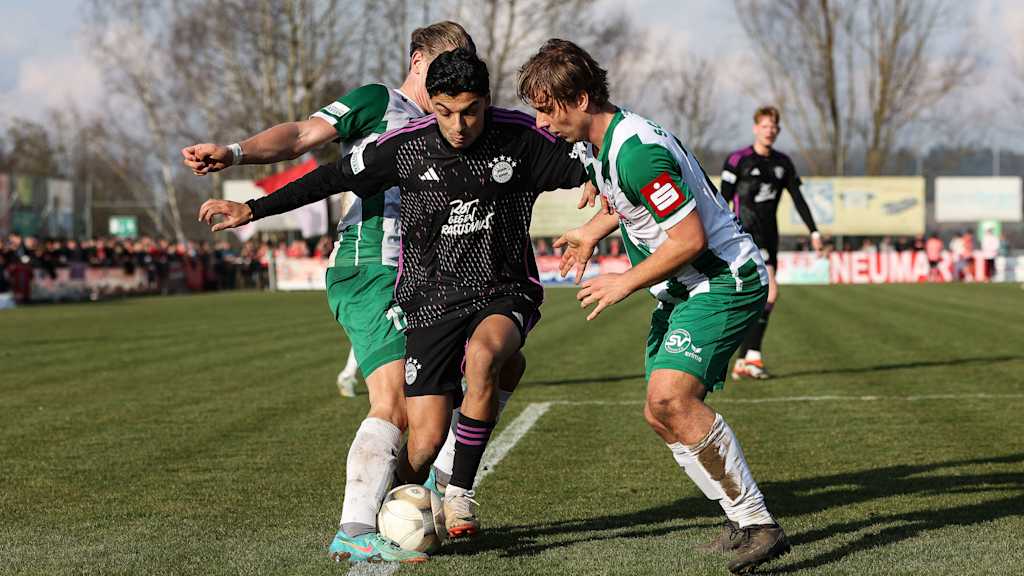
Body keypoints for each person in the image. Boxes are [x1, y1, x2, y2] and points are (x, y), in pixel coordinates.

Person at [200, 48, 588, 541]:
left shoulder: (520, 138)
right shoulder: (405, 146)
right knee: (422, 441)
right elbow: (331, 177)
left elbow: (600, 156)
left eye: (470, 110)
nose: (459, 125)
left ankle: (459, 492)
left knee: (486, 357)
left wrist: (598, 207)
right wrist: (252, 210)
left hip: (501, 291)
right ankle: (397, 510)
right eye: (445, 112)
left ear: (487, 101)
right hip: (429, 301)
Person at [187, 22, 479, 565]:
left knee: (443, 404)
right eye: (446, 63)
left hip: (424, 278)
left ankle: (413, 508)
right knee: (391, 405)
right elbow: (300, 136)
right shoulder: (377, 102)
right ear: (418, 60)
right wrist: (234, 153)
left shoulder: (453, 124)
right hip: (370, 265)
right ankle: (354, 528)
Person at [518, 39, 789, 575]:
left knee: (672, 398)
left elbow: (688, 239)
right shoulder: (603, 143)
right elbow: (628, 201)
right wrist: (593, 231)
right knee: (659, 413)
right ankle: (740, 518)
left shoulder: (636, 149)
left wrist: (624, 282)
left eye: (547, 108)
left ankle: (760, 524)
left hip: (720, 278)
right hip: (684, 286)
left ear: (581, 98)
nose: (542, 122)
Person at [719, 106, 821, 380]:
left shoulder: (783, 163)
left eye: (774, 126)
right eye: (765, 126)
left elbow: (798, 199)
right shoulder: (738, 159)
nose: (770, 130)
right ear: (755, 128)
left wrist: (814, 231)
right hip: (744, 234)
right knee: (771, 291)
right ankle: (753, 357)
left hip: (770, 235)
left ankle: (743, 360)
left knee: (756, 296)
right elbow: (721, 200)